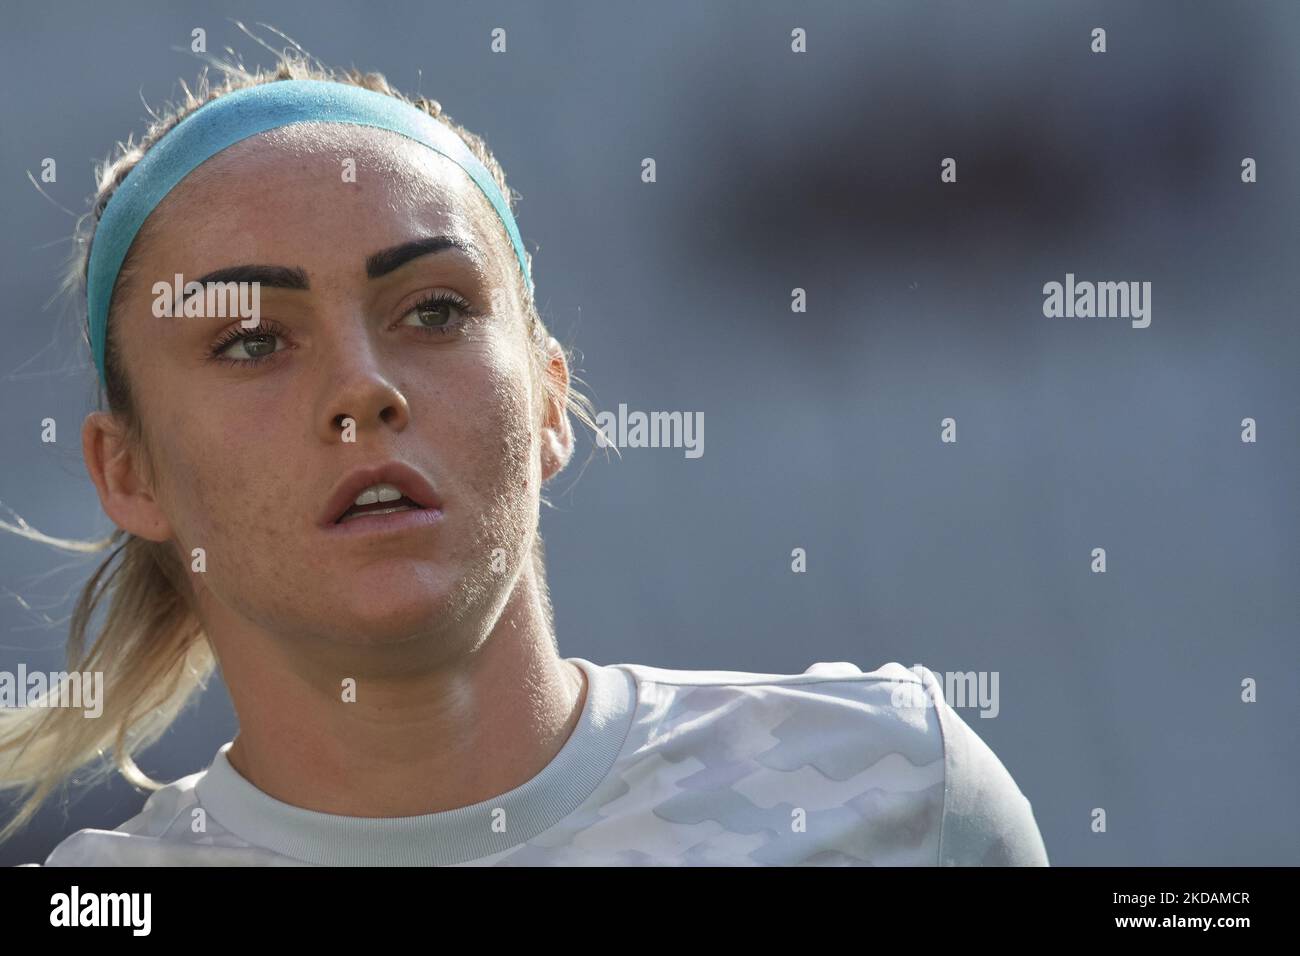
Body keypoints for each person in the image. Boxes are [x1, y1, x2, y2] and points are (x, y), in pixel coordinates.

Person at [1, 50, 1048, 866]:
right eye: (251, 341)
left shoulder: (894, 789)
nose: (363, 388)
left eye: (435, 308)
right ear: (126, 472)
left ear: (550, 396)